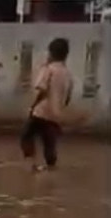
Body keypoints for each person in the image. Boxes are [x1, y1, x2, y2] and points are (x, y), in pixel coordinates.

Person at [21, 38, 73, 172]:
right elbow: (68, 96)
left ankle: (31, 165)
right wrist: (61, 108)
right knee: (49, 144)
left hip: (41, 111)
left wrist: (32, 106)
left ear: (50, 53)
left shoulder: (48, 70)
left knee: (26, 136)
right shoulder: (67, 73)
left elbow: (41, 90)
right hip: (55, 115)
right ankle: (51, 169)